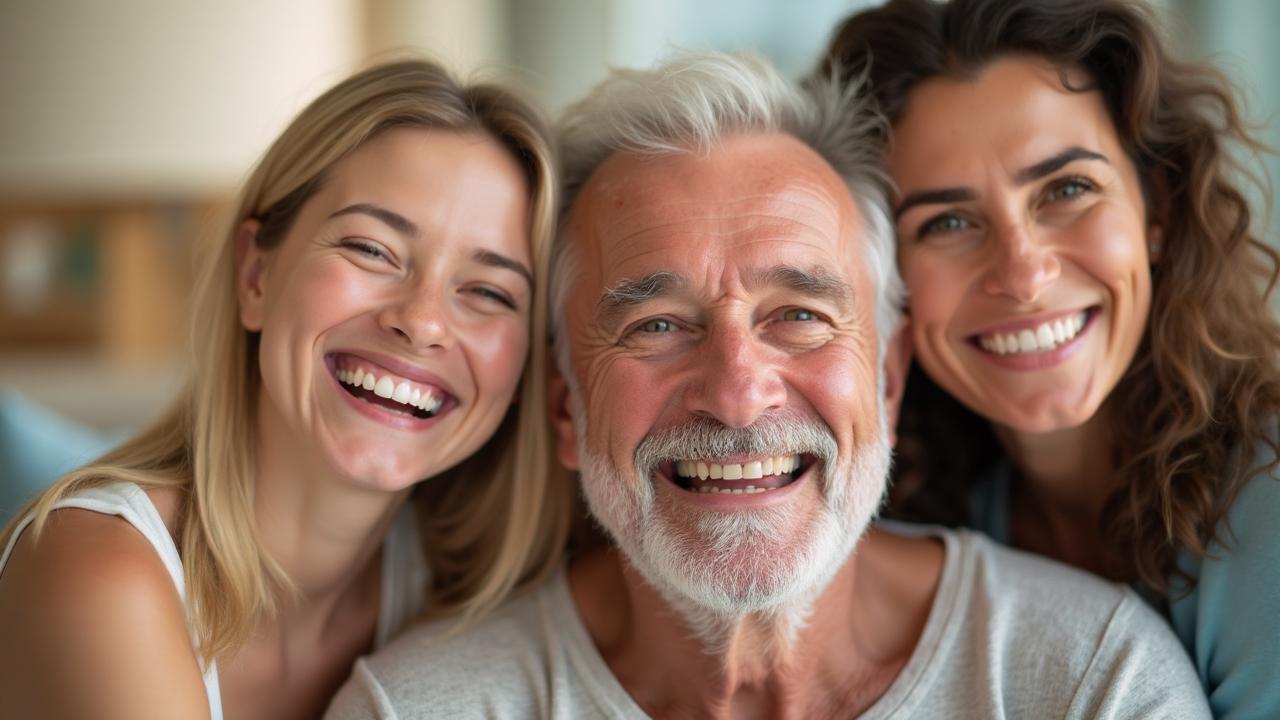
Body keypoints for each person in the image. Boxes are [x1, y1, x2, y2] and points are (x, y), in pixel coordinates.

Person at [326, 51, 1209, 719]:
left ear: (889, 379)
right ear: (567, 407)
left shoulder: (1094, 681)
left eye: (800, 316)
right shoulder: (419, 709)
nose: (738, 393)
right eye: (657, 326)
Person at [0, 58, 571, 719]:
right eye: (372, 249)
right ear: (255, 277)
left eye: (489, 291)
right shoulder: (97, 573)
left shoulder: (477, 599)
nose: (420, 322)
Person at [815, 0, 1280, 717]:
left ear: (1155, 208)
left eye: (1067, 190)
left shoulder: (1268, 502)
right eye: (948, 222)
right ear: (883, 279)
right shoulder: (914, 508)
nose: (1024, 273)